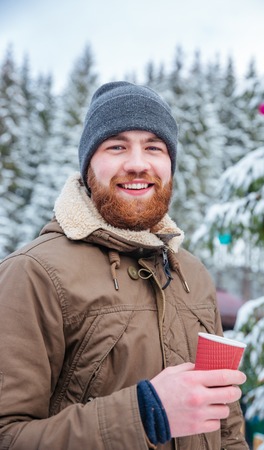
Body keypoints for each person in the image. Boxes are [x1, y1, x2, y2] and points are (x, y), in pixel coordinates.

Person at [0, 81, 249, 450]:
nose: (137, 164)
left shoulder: (191, 274)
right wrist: (146, 414)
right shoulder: (34, 273)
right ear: (88, 166)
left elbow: (227, 428)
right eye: (116, 146)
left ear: (170, 164)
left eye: (154, 147)